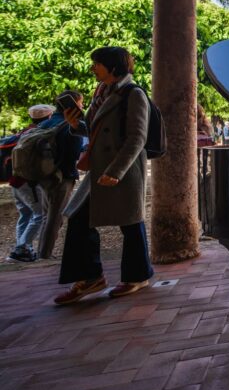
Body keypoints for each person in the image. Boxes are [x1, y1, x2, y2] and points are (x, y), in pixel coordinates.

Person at [53, 46, 155, 305]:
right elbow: (97, 132)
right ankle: (90, 276)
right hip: (101, 168)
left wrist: (117, 171)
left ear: (112, 66)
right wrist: (76, 125)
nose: (92, 68)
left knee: (130, 222)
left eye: (97, 63)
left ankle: (137, 276)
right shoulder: (102, 93)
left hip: (124, 169)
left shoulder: (133, 94)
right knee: (80, 217)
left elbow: (137, 137)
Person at [37, 92, 86, 259]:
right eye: (80, 104)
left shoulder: (45, 124)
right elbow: (74, 152)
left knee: (46, 216)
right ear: (71, 106)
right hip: (63, 176)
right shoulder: (69, 125)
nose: (82, 107)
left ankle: (41, 252)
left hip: (43, 175)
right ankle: (45, 255)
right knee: (55, 217)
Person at [6, 104, 56, 263]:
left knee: (25, 214)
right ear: (48, 117)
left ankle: (22, 249)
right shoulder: (38, 135)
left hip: (15, 180)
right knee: (39, 215)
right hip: (30, 182)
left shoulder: (23, 132)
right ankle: (21, 248)